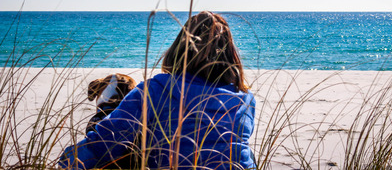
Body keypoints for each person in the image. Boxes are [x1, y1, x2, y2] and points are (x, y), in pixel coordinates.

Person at [59, 11, 256, 169]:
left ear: (178, 49)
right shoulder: (246, 101)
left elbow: (105, 141)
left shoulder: (155, 90)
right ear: (231, 57)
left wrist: (65, 162)